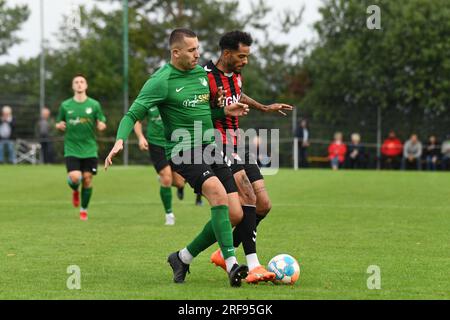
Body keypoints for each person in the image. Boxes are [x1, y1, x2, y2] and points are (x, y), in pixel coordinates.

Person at [105, 29, 251, 287]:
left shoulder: (200, 75)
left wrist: (224, 110)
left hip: (210, 147)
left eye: (198, 48)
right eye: (192, 50)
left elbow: (204, 112)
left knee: (235, 214)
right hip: (184, 150)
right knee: (217, 193)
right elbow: (132, 114)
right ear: (176, 52)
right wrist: (119, 140)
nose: (198, 54)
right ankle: (231, 265)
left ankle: (182, 257)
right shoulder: (161, 80)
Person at [204, 30, 292, 282]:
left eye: (247, 57)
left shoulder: (236, 75)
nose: (245, 61)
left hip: (239, 143)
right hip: (219, 144)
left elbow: (238, 94)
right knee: (248, 197)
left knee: (263, 204)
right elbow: (199, 113)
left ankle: (223, 252)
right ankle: (253, 265)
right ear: (227, 53)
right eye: (241, 56)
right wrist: (218, 109)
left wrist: (264, 106)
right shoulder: (206, 77)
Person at [134, 106, 203, 226]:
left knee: (180, 182)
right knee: (166, 177)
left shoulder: (173, 100)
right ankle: (169, 215)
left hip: (174, 144)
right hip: (156, 144)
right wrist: (140, 137)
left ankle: (178, 186)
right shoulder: (150, 101)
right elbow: (137, 120)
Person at [55, 74, 107, 220]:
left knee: (87, 179)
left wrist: (101, 124)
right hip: (71, 147)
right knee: (75, 177)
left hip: (89, 148)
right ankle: (74, 189)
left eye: (82, 82)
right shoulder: (66, 105)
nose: (79, 84)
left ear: (86, 86)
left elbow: (102, 119)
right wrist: (59, 125)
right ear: (73, 86)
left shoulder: (94, 105)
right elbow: (58, 121)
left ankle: (83, 210)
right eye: (76, 82)